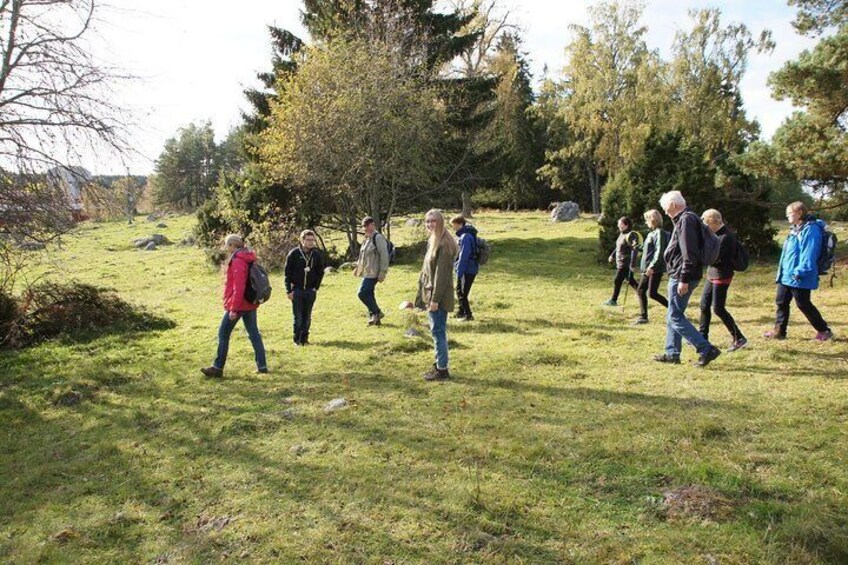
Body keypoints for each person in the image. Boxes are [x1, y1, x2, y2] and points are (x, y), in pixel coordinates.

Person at [653, 191, 721, 367]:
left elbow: (689, 253)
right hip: (681, 274)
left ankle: (705, 349)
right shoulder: (687, 218)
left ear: (674, 205)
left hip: (682, 275)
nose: (665, 212)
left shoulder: (685, 220)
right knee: (673, 314)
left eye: (666, 208)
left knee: (675, 316)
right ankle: (672, 353)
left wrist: (683, 278)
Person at [764, 201, 833, 341]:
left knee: (803, 304)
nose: (787, 216)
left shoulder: (811, 230)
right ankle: (779, 332)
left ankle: (824, 331)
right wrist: (782, 271)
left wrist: (800, 271)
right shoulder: (795, 228)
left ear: (799, 213)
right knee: (781, 302)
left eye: (789, 213)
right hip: (786, 274)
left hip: (800, 275)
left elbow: (810, 253)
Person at [201, 234, 268, 378]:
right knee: (254, 333)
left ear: (232, 245)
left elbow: (239, 287)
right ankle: (262, 365)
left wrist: (233, 309)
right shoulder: (248, 256)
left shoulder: (238, 260)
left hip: (240, 304)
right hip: (250, 303)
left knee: (223, 333)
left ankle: (217, 367)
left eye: (227, 245)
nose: (226, 248)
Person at [416, 209, 459, 381]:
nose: (430, 224)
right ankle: (438, 364)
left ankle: (442, 370)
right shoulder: (434, 241)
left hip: (438, 297)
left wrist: (434, 301)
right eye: (427, 221)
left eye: (433, 221)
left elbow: (441, 277)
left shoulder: (444, 244)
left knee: (438, 332)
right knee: (436, 331)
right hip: (431, 294)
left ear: (440, 222)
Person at [698, 209, 747, 352]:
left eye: (707, 224)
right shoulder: (716, 235)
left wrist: (701, 256)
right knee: (704, 305)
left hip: (722, 275)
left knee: (718, 308)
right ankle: (702, 337)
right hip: (712, 274)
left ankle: (739, 337)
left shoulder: (726, 237)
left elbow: (715, 258)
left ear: (714, 222)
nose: (705, 228)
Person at [284, 229, 325, 346]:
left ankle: (305, 339)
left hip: (310, 290)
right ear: (302, 240)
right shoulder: (294, 254)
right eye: (308, 240)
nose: (310, 242)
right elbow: (287, 273)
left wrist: (315, 287)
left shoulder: (316, 255)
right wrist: (289, 290)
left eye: (312, 240)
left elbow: (320, 272)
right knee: (298, 317)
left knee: (307, 316)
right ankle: (297, 340)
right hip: (297, 290)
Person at [634, 209, 669, 324]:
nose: (645, 222)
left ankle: (644, 317)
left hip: (653, 269)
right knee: (650, 292)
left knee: (644, 291)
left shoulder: (659, 233)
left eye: (647, 220)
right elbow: (646, 249)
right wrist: (636, 246)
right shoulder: (651, 233)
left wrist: (652, 267)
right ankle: (675, 311)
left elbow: (659, 252)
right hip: (648, 268)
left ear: (652, 220)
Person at [354, 216, 390, 326]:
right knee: (369, 293)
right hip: (367, 272)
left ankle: (377, 312)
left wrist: (383, 272)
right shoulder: (367, 238)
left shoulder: (378, 238)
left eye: (368, 225)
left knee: (362, 293)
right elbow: (363, 256)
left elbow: (384, 255)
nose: (365, 228)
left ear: (373, 224)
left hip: (374, 273)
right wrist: (358, 268)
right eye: (364, 226)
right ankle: (375, 319)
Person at [603, 217, 639, 306]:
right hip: (620, 261)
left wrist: (633, 264)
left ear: (626, 225)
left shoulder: (631, 235)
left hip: (625, 263)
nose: (618, 225)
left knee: (617, 280)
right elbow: (618, 246)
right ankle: (641, 292)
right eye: (618, 224)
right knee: (630, 280)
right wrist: (612, 255)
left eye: (620, 224)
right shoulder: (622, 234)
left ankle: (613, 300)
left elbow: (635, 249)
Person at [451, 214, 480, 321]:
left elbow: (464, 256)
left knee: (461, 292)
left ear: (459, 224)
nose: (453, 227)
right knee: (462, 291)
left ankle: (468, 315)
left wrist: (459, 271)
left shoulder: (465, 237)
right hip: (471, 268)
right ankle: (460, 312)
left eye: (453, 225)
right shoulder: (468, 234)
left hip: (467, 269)